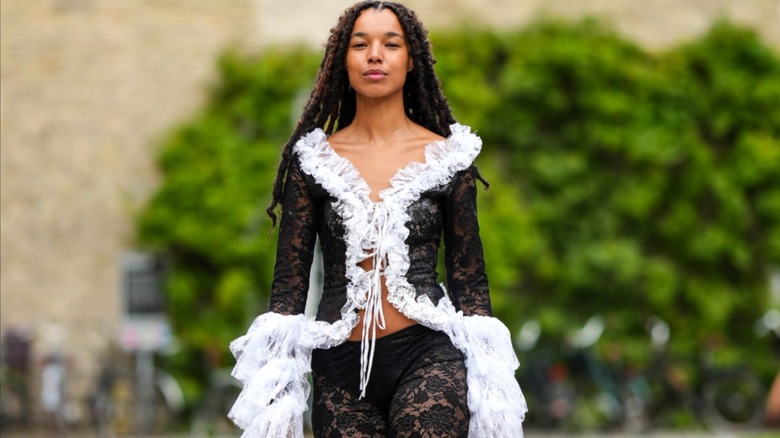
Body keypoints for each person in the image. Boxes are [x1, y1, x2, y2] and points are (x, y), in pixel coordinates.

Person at [228, 2, 526, 436]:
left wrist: (490, 384)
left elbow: (470, 282)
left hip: (429, 355)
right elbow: (288, 289)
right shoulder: (313, 161)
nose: (374, 55)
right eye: (360, 44)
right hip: (338, 367)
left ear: (412, 60)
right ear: (341, 61)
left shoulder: (449, 156)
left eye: (391, 44)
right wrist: (279, 395)